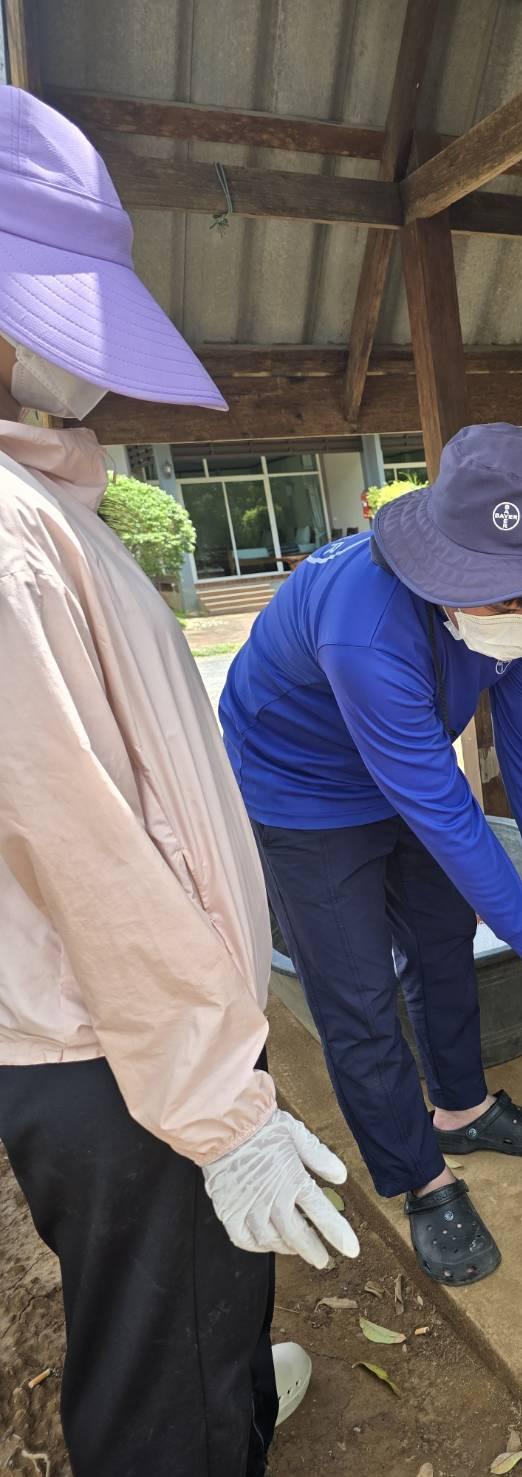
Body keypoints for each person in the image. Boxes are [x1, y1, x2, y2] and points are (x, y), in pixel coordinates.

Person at [0, 87, 360, 1477]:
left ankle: (218, 1384)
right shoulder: (16, 546)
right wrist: (218, 1103)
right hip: (120, 1054)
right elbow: (77, 845)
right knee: (163, 1371)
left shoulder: (44, 507)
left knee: (172, 1313)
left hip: (131, 1032)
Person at [220, 421, 522, 1286]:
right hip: (300, 790)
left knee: (442, 938)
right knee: (356, 992)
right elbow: (446, 812)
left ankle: (462, 1106)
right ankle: (421, 1178)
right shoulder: (364, 625)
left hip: (404, 773)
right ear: (447, 570)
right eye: (508, 599)